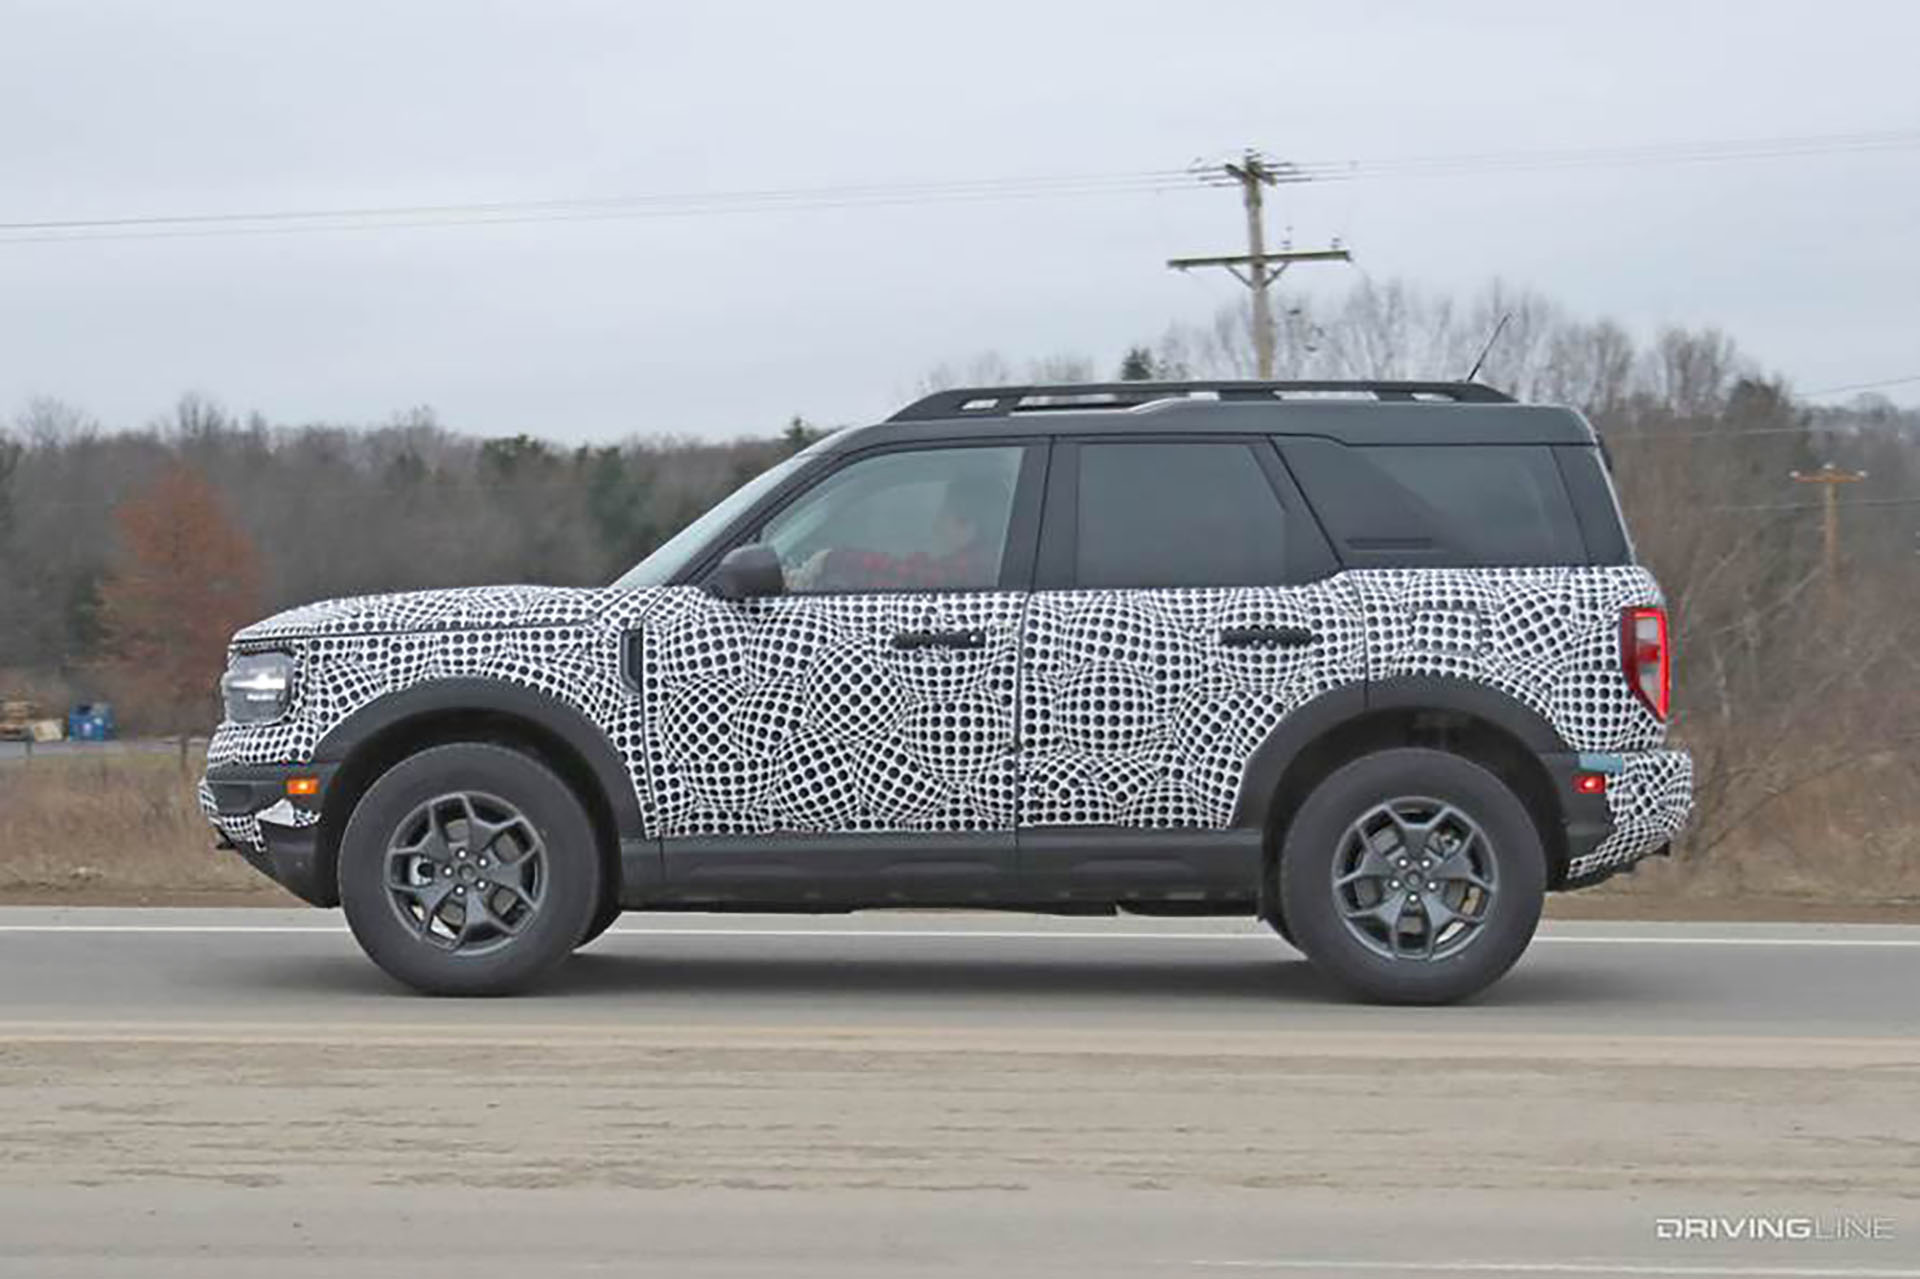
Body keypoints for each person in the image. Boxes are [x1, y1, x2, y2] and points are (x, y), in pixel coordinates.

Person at [787, 473, 1006, 593]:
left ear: (968, 524)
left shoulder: (978, 567)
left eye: (943, 515)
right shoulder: (992, 561)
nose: (936, 526)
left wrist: (833, 560)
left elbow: (914, 579)